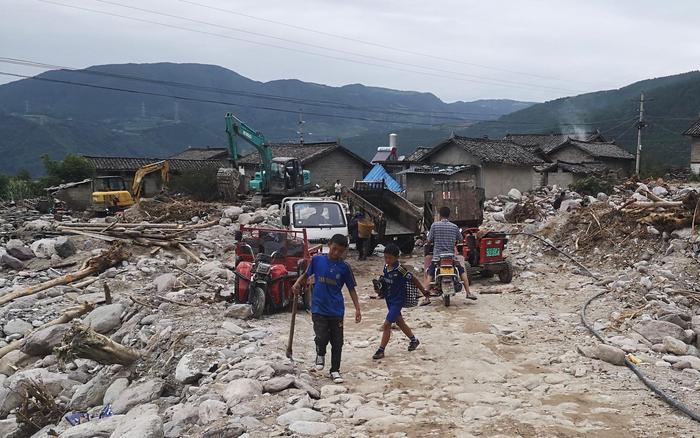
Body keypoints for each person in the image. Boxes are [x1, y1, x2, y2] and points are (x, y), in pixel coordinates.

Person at [292, 234, 361, 384]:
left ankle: (335, 370)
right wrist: (297, 283)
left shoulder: (344, 267)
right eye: (334, 249)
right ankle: (320, 353)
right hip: (318, 308)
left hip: (336, 310)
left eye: (340, 251)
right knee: (321, 336)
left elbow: (351, 289)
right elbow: (306, 274)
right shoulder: (317, 260)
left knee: (337, 342)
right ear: (329, 245)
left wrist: (357, 309)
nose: (336, 253)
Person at [372, 244, 430, 360]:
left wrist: (423, 291)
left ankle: (381, 350)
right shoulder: (385, 267)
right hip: (389, 299)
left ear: (396, 257)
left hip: (398, 300)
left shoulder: (400, 269)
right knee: (400, 322)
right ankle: (414, 340)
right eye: (385, 257)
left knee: (387, 324)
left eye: (389, 258)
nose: (387, 260)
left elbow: (414, 279)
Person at [424, 206, 476, 300]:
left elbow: (429, 240)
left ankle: (426, 298)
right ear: (449, 215)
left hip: (437, 258)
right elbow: (460, 239)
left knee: (430, 273)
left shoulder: (434, 225)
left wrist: (428, 243)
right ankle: (468, 292)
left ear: (440, 215)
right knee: (461, 271)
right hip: (451, 257)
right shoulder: (454, 226)